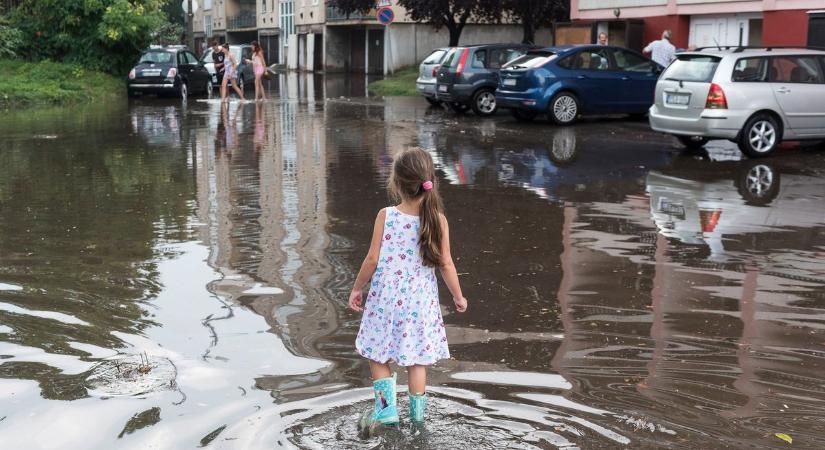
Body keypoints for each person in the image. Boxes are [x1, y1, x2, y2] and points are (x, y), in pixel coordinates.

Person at [348, 148, 469, 429]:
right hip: (420, 303)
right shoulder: (438, 219)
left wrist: (356, 288)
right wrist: (458, 296)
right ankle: (418, 421)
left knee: (376, 354)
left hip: (385, 298)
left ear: (397, 183)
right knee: (416, 361)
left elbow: (372, 259)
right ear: (430, 181)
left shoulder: (386, 215)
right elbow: (446, 263)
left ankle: (386, 410)